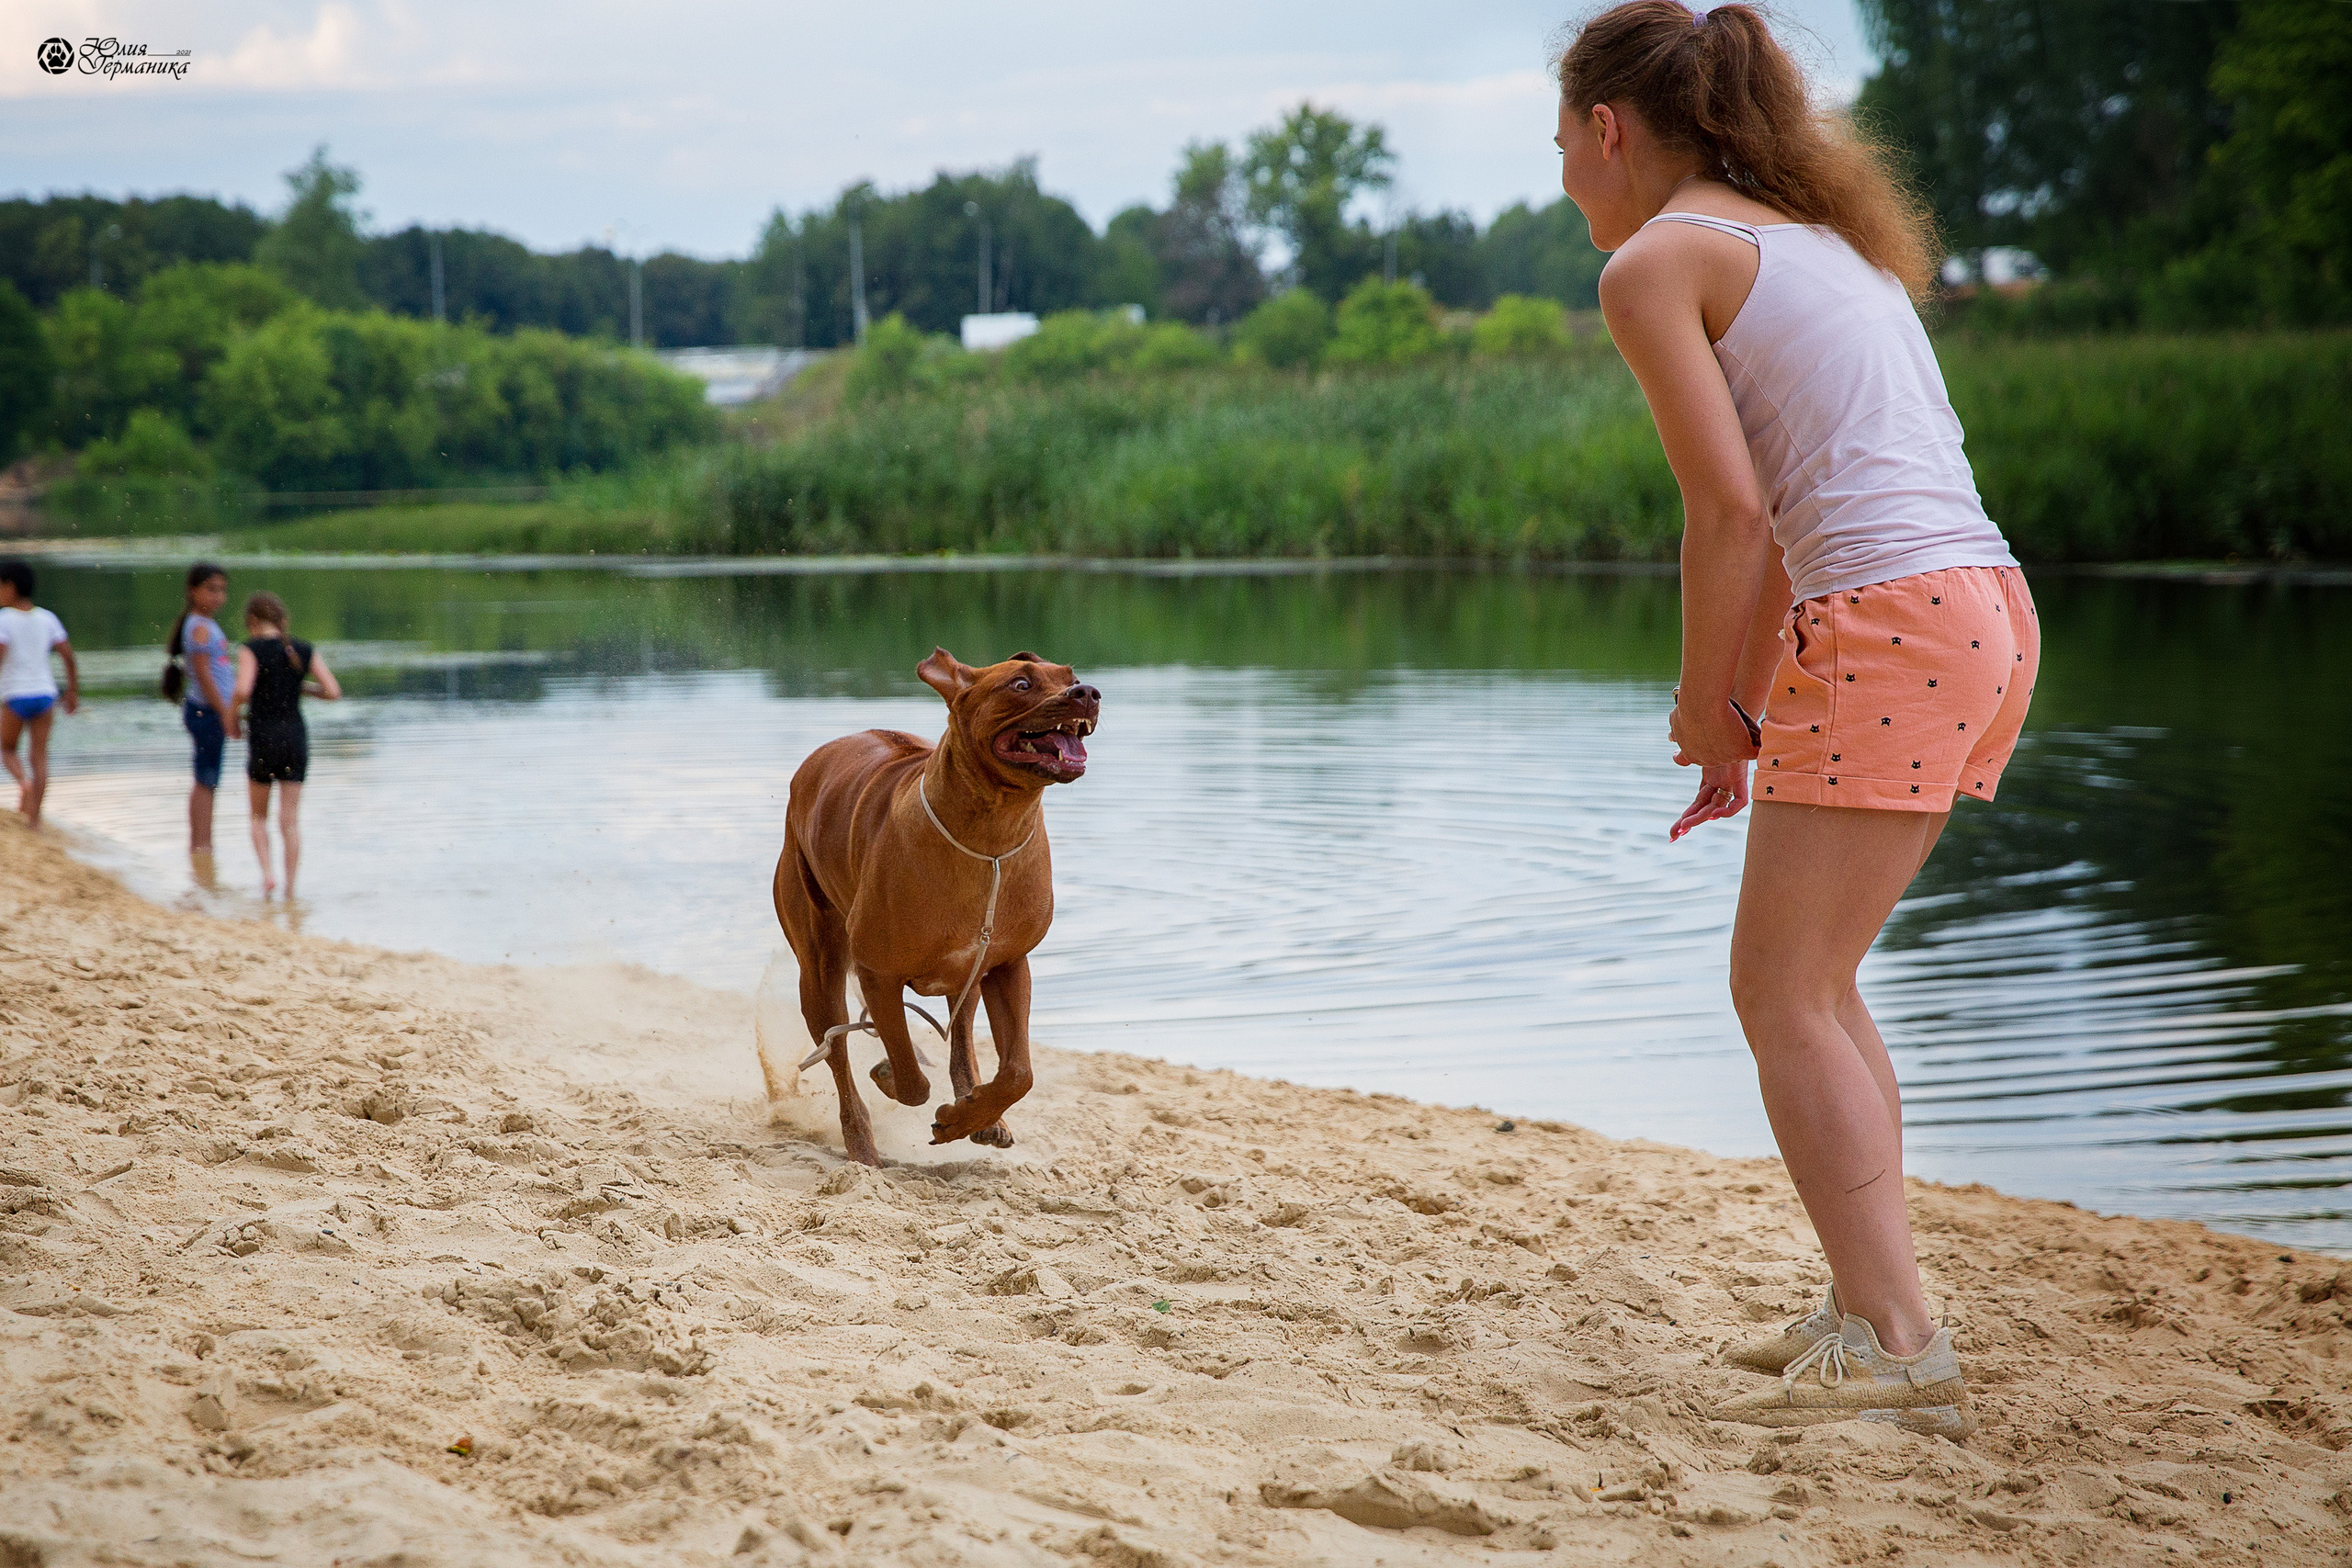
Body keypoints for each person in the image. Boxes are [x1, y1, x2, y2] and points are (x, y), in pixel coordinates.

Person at [1553, 2, 2035, 1438]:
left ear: (1608, 129)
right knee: (1820, 984)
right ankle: (1868, 1303)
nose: (1565, 180)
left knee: (1781, 991)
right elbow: (1787, 518)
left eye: (1560, 147)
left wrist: (1706, 708)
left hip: (1889, 615)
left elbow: (1734, 515)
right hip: (1982, 605)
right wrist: (1748, 710)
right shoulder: (1821, 242)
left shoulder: (1656, 264)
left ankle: (1897, 1337)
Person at [232, 591, 339, 897]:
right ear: (281, 620)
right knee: (290, 820)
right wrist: (301, 687)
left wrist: (231, 714)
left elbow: (242, 689)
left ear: (252, 621)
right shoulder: (303, 648)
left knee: (257, 817)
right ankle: (291, 889)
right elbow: (333, 691)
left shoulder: (250, 649)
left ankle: (268, 876)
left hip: (264, 738)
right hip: (295, 738)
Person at [164, 562, 237, 859]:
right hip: (207, 713)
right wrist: (225, 712)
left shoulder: (201, 624)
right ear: (193, 592)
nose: (219, 597)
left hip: (206, 711)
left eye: (222, 591)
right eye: (212, 590)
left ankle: (201, 845)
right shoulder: (201, 628)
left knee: (207, 779)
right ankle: (202, 846)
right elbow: (205, 677)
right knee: (207, 780)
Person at [0, 560, 79, 829]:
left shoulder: (4, 619)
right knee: (40, 757)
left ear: (10, 587)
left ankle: (24, 784)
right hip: (45, 695)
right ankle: (34, 819)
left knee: (8, 749)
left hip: (15, 695)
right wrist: (72, 692)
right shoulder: (47, 618)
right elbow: (68, 655)